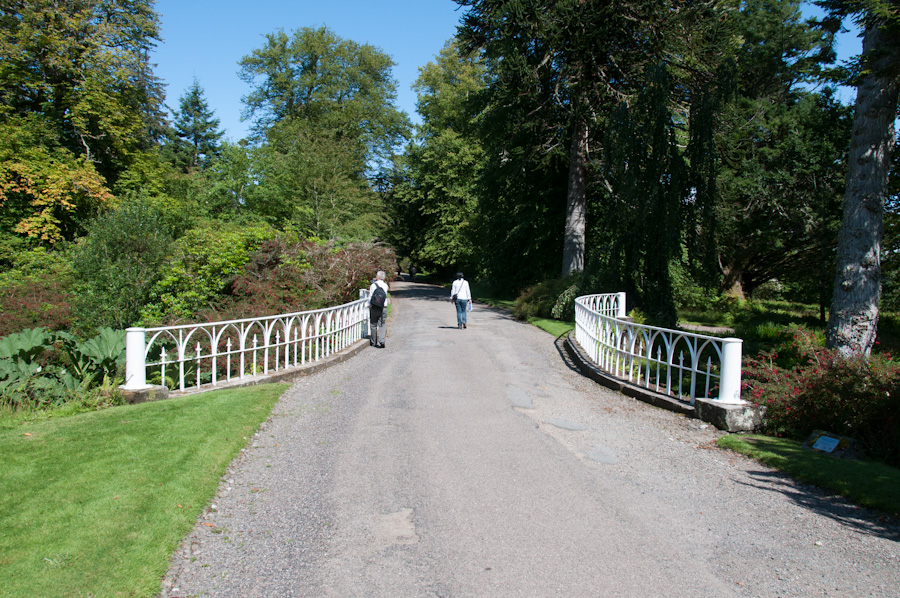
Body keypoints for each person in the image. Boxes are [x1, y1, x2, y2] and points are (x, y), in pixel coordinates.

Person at [367, 271, 389, 347]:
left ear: (377, 277)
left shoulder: (373, 285)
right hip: (383, 307)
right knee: (382, 324)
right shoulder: (385, 285)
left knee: (373, 324)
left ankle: (373, 341)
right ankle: (382, 340)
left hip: (374, 307)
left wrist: (368, 305)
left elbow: (370, 297)